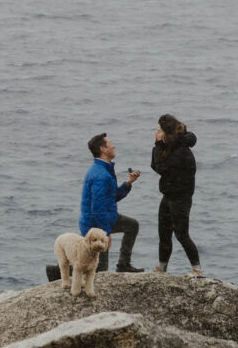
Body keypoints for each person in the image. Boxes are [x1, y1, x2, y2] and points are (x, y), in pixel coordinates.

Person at [79, 133, 143, 273]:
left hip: (106, 218)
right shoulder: (101, 174)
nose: (113, 145)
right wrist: (105, 233)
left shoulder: (104, 169)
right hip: (95, 224)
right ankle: (59, 271)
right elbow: (97, 209)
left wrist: (127, 184)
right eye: (110, 144)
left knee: (132, 225)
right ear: (103, 149)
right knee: (100, 269)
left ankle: (123, 265)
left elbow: (111, 197)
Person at [150, 114, 204, 276]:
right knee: (164, 234)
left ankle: (197, 270)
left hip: (180, 198)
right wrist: (159, 146)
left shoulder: (180, 151)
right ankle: (162, 267)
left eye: (159, 130)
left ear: (167, 132)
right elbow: (157, 166)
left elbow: (161, 168)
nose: (157, 133)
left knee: (181, 234)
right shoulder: (174, 146)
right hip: (169, 195)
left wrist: (158, 145)